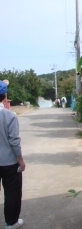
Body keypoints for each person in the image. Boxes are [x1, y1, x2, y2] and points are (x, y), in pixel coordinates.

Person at [0, 80, 26, 229]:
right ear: (5, 96)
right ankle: (11, 223)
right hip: (9, 162)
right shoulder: (9, 116)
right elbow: (14, 141)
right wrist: (20, 160)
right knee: (12, 193)